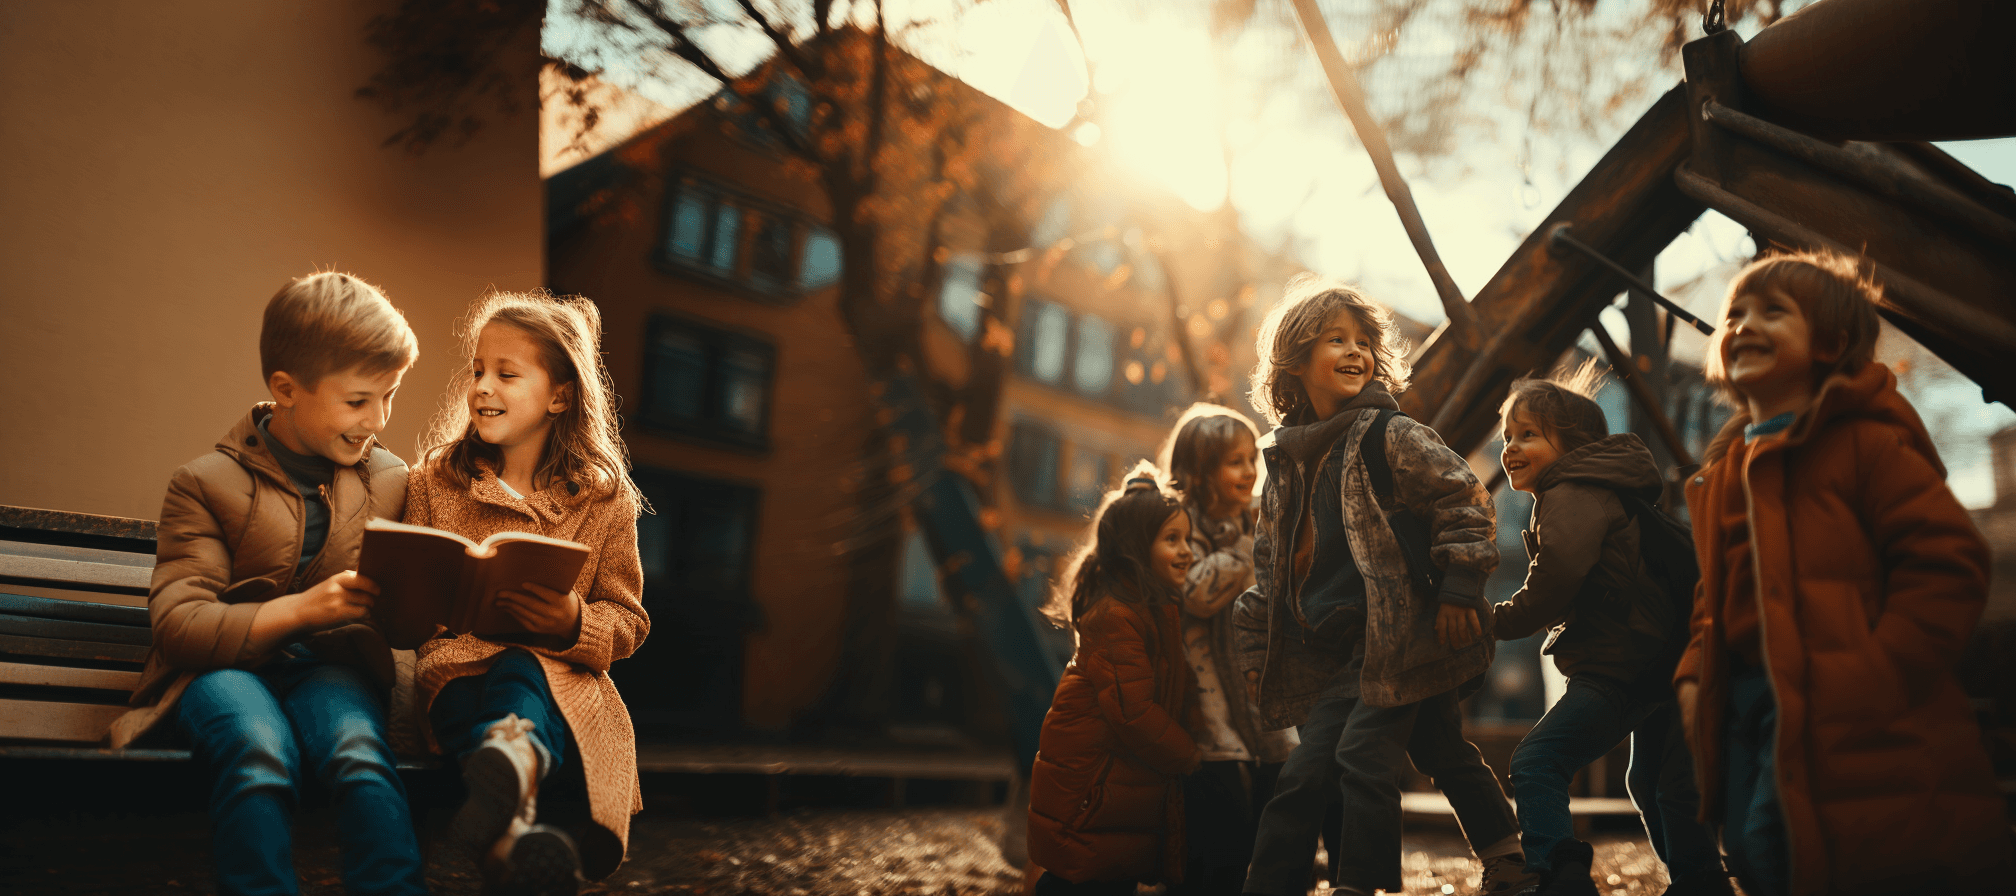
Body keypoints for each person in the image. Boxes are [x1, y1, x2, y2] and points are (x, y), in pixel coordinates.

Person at [1676, 250, 2015, 896]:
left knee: (1827, 849)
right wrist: (1694, 675)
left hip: (1841, 692)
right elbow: (1711, 594)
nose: (1744, 324)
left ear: (1830, 343)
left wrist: (1878, 669)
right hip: (1747, 694)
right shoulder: (1725, 471)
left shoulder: (1864, 444)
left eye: (1773, 312)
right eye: (1734, 314)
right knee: (1747, 848)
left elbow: (1947, 560)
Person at [108, 272, 427, 896]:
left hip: (331, 672)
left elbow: (404, 620)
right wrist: (302, 612)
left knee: (361, 754)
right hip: (216, 674)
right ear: (286, 389)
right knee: (258, 752)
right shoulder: (204, 484)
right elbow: (179, 627)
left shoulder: (391, 480)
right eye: (359, 400)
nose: (378, 419)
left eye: (390, 397)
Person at [1232, 277, 1529, 896]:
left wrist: (1456, 591)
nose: (1355, 351)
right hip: (1340, 648)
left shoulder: (1387, 435)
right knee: (1438, 747)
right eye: (1334, 338)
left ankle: (1349, 885)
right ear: (1293, 360)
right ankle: (1510, 856)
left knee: (1351, 762)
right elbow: (1273, 566)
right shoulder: (1285, 463)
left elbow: (1465, 500)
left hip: (1405, 631)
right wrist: (1261, 644)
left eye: (1364, 341)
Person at [406, 290, 649, 896]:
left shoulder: (604, 499)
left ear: (560, 395)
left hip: (555, 681)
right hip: (455, 673)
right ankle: (515, 785)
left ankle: (512, 804)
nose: (483, 386)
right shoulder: (436, 481)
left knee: (520, 667)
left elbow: (627, 618)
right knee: (474, 702)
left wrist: (573, 622)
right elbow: (408, 589)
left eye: (506, 374)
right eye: (478, 370)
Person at [1490, 368, 1727, 896]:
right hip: (1662, 655)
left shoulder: (1570, 492)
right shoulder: (1605, 491)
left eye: (1528, 434)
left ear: (1573, 445)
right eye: (1507, 436)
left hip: (1622, 661)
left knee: (1537, 760)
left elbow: (1556, 579)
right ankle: (1700, 879)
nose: (1510, 447)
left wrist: (1494, 621)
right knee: (1655, 783)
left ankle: (1559, 875)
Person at [1026, 463, 1202, 896]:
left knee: (1110, 877)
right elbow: (1133, 711)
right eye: (1172, 540)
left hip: (1113, 792)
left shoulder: (1155, 610)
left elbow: (1175, 684)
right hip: (1091, 792)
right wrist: (1189, 754)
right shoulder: (1117, 616)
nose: (1187, 552)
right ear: (1135, 550)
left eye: (1188, 539)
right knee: (1077, 881)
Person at [1157, 405, 1297, 896]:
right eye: (1234, 462)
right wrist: (1240, 550)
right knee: (1223, 830)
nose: (1249, 472)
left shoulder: (1256, 524)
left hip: (1258, 692)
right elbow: (1195, 591)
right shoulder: (1180, 528)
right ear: (1198, 472)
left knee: (1279, 814)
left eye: (1250, 460)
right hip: (1206, 698)